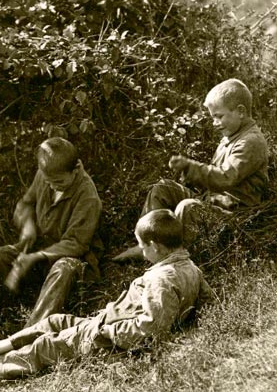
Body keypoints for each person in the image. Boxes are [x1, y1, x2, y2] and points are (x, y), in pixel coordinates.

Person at [0, 209, 212, 379]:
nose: (142, 252)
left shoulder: (160, 280)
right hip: (106, 323)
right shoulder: (190, 269)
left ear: (155, 246)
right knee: (54, 322)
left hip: (108, 336)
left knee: (50, 344)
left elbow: (151, 329)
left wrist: (108, 332)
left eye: (143, 247)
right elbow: (209, 303)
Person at [0, 137, 102, 341]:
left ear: (75, 169)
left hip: (72, 260)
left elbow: (76, 244)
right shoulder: (45, 174)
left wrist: (37, 257)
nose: (53, 187)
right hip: (36, 251)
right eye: (49, 182)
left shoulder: (88, 196)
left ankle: (24, 339)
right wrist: (28, 226)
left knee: (64, 268)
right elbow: (26, 204)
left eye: (59, 182)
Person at [115, 78, 268, 261]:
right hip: (215, 202)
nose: (215, 123)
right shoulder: (231, 136)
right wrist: (188, 176)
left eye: (219, 116)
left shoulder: (251, 142)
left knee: (187, 207)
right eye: (213, 117)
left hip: (235, 213)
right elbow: (214, 177)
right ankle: (148, 244)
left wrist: (191, 167)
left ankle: (175, 259)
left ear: (241, 111)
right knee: (163, 188)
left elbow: (226, 178)